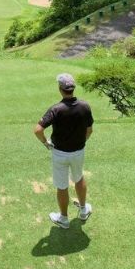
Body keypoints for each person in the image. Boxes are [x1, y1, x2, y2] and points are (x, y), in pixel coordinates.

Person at [33, 73, 94, 229]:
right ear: (73, 88)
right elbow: (89, 130)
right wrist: (82, 141)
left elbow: (38, 130)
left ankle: (64, 219)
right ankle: (82, 210)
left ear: (60, 89)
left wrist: (45, 143)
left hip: (59, 153)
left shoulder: (56, 109)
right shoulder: (85, 106)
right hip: (78, 151)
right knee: (79, 178)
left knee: (62, 186)